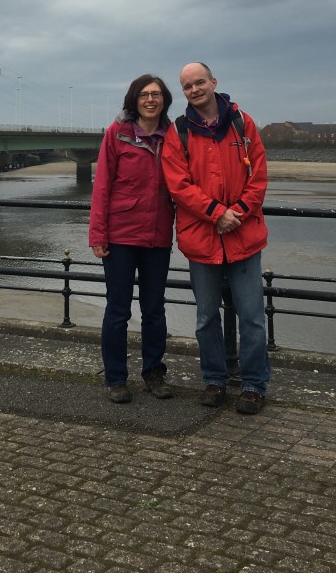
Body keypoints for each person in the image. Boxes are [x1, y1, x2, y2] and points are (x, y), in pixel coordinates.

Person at [161, 62, 271, 415]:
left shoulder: (243, 124)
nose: (194, 90)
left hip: (243, 235)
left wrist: (235, 213)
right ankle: (214, 380)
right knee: (206, 317)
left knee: (252, 317)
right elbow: (178, 185)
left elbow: (258, 177)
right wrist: (216, 213)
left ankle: (253, 385)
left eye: (199, 82)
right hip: (202, 240)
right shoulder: (178, 132)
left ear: (213, 82)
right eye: (187, 86)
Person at [89, 73, 175, 404]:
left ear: (164, 100)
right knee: (118, 310)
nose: (150, 100)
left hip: (158, 235)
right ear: (134, 100)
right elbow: (102, 186)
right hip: (121, 236)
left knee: (154, 309)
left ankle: (154, 373)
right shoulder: (118, 133)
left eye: (156, 94)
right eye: (144, 95)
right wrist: (98, 234)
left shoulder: (173, 136)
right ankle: (115, 378)